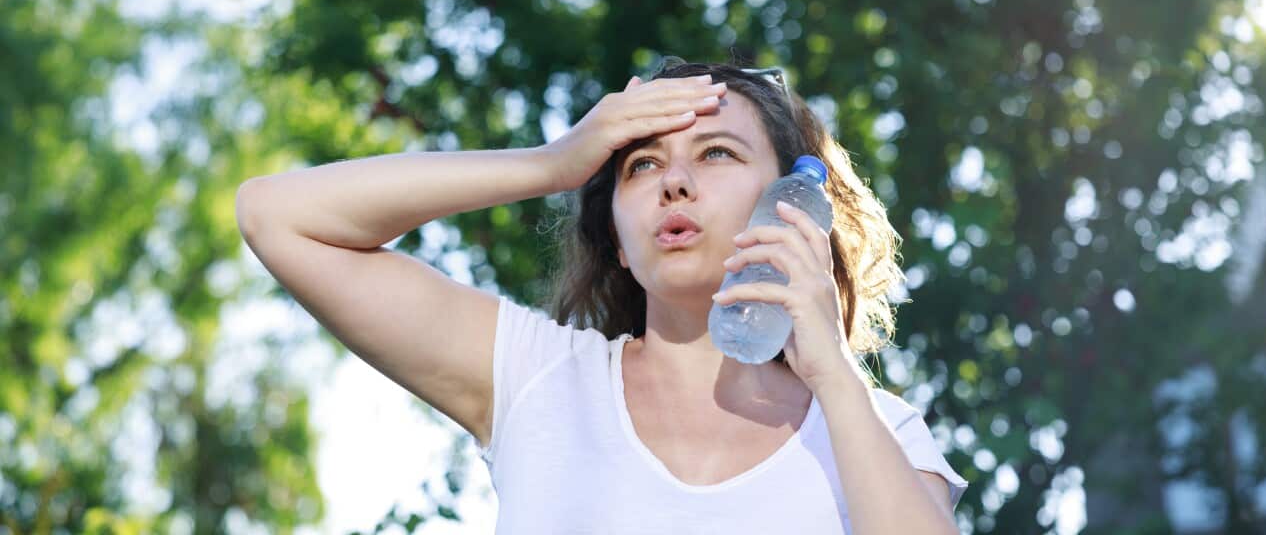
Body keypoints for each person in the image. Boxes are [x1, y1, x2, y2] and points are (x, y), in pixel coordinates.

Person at [235, 58, 968, 534]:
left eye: (717, 152)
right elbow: (278, 218)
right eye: (642, 165)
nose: (674, 182)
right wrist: (554, 162)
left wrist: (834, 375)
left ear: (791, 203)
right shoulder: (535, 377)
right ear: (619, 240)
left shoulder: (878, 431)